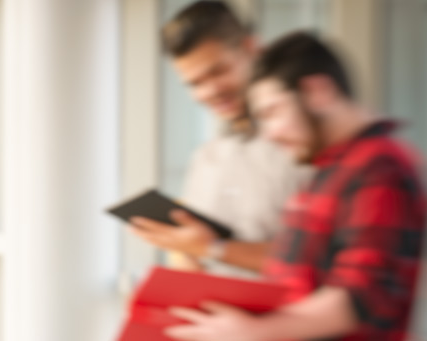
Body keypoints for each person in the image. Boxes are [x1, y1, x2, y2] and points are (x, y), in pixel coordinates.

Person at [165, 31, 425, 341]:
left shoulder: (380, 166)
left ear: (318, 92)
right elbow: (290, 279)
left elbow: (359, 295)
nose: (270, 134)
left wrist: (254, 332)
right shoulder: (326, 172)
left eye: (272, 113)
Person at [129, 1, 311, 278]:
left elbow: (317, 258)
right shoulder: (206, 157)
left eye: (218, 71)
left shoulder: (303, 145)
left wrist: (213, 248)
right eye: (194, 83)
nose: (210, 92)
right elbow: (190, 254)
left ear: (252, 49)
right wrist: (184, 252)